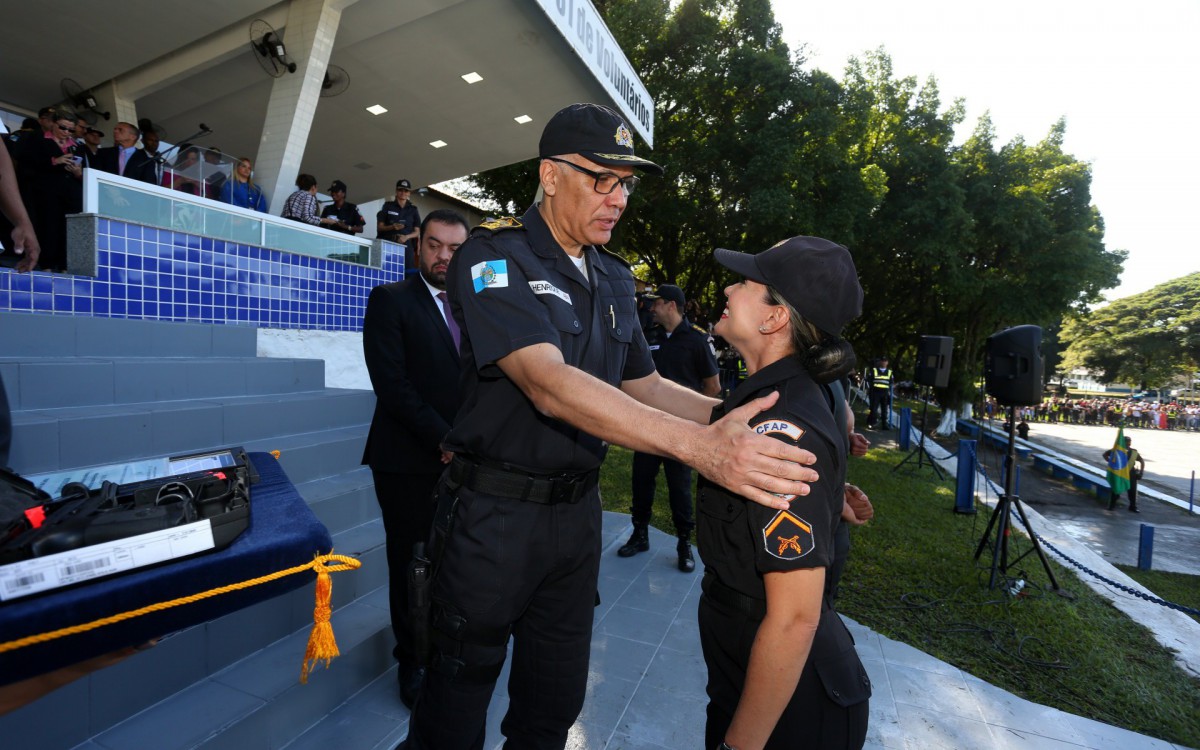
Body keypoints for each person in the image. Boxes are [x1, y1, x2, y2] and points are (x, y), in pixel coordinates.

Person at [401, 103, 820, 750]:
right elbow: (545, 382)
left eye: (625, 183)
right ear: (549, 175)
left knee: (552, 705)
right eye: (602, 178)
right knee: (454, 707)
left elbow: (645, 385)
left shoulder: (614, 277)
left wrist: (765, 429)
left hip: (575, 522)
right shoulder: (493, 256)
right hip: (492, 517)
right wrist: (701, 449)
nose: (618, 198)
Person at [698, 235, 872, 750]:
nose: (729, 288)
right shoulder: (773, 396)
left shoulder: (781, 423)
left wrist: (739, 746)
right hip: (755, 677)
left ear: (775, 319)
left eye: (745, 283)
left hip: (790, 713)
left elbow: (795, 617)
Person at [362, 209, 470, 709]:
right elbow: (393, 386)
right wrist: (443, 437)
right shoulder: (391, 300)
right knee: (413, 565)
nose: (443, 256)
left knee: (455, 563)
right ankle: (412, 660)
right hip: (407, 460)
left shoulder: (475, 309)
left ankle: (444, 649)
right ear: (418, 246)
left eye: (453, 248)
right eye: (434, 245)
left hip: (467, 461)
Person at [618, 283, 720, 572]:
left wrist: (694, 422)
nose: (652, 308)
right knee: (641, 481)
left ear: (672, 305)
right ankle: (640, 535)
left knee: (679, 488)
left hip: (681, 432)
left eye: (657, 303)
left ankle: (684, 544)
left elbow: (713, 386)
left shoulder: (697, 340)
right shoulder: (648, 337)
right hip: (647, 427)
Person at [31, 110, 83, 271]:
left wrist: (77, 172)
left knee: (67, 230)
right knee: (48, 228)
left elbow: (84, 173)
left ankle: (64, 266)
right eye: (63, 127)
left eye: (71, 130)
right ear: (53, 124)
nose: (67, 132)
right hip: (46, 193)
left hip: (70, 195)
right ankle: (46, 265)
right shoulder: (38, 140)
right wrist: (55, 161)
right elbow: (28, 165)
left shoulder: (77, 146)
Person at [90, 121, 158, 184]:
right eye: (115, 129)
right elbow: (93, 174)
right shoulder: (103, 153)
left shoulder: (146, 161)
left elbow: (149, 184)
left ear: (133, 137)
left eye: (120, 130)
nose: (115, 131)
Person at [377, 179, 421, 271]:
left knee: (408, 272)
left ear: (409, 193)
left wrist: (406, 237)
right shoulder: (387, 206)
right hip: (388, 242)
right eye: (400, 190)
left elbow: (417, 232)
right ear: (396, 191)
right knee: (386, 270)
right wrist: (392, 227)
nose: (403, 192)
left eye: (406, 190)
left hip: (406, 245)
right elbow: (380, 227)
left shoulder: (413, 209)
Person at [1104, 436, 1144, 512]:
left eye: (1129, 442)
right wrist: (1111, 463)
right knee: (1116, 489)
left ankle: (1132, 506)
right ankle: (1111, 505)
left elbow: (1142, 461)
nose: (1128, 443)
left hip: (1131, 474)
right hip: (1120, 473)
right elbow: (1105, 455)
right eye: (1127, 442)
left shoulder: (1134, 452)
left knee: (1132, 491)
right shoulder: (1117, 450)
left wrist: (1141, 472)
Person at [865, 355, 893, 429]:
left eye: (885, 361)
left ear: (887, 362)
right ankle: (872, 423)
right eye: (882, 361)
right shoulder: (874, 370)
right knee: (873, 408)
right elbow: (869, 380)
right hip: (875, 392)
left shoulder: (890, 372)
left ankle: (884, 425)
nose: (884, 362)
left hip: (885, 393)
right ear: (880, 362)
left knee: (884, 409)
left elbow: (891, 382)